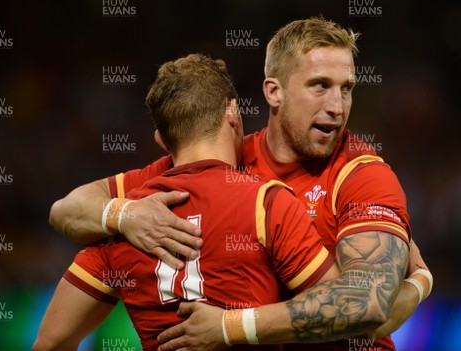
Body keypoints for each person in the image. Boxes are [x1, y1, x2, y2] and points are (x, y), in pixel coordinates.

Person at [48, 18, 433, 350]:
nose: (337, 105)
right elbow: (67, 208)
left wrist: (231, 327)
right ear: (273, 91)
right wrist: (123, 213)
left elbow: (368, 306)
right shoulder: (222, 161)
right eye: (320, 85)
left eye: (346, 88)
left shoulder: (363, 175)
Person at [34, 54, 340, 351]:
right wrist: (233, 327)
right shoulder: (267, 203)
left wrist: (122, 214)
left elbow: (51, 342)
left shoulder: (124, 224)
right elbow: (338, 307)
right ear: (233, 113)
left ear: (162, 141)